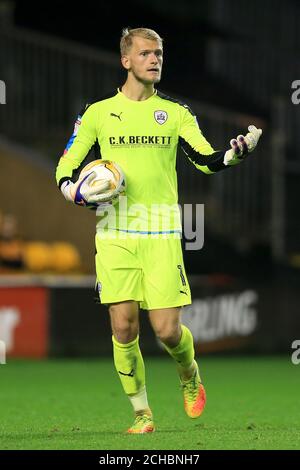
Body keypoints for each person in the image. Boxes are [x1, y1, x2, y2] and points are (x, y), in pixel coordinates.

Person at [55, 27, 262, 434]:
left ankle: (189, 373)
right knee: (123, 326)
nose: (155, 60)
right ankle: (142, 413)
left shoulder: (177, 114)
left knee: (167, 331)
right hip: (114, 233)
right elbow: (66, 166)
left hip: (162, 234)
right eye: (147, 53)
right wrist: (73, 192)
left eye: (160, 54)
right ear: (126, 60)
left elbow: (206, 159)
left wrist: (234, 155)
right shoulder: (97, 113)